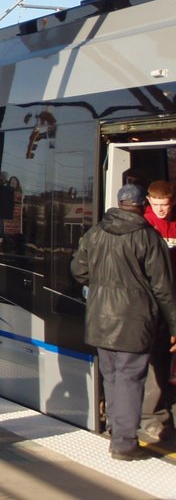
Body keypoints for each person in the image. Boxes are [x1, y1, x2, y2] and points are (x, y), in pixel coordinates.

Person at [71, 183, 176, 461]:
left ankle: (116, 431)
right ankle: (124, 443)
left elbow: (78, 271)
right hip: (135, 321)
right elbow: (164, 288)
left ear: (118, 204)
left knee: (113, 377)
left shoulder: (95, 234)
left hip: (100, 321)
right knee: (131, 379)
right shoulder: (148, 238)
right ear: (142, 205)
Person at [140, 180, 176, 443]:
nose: (161, 210)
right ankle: (152, 417)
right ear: (148, 202)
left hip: (171, 302)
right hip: (152, 305)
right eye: (156, 205)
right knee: (153, 361)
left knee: (164, 361)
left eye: (165, 205)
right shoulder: (142, 226)